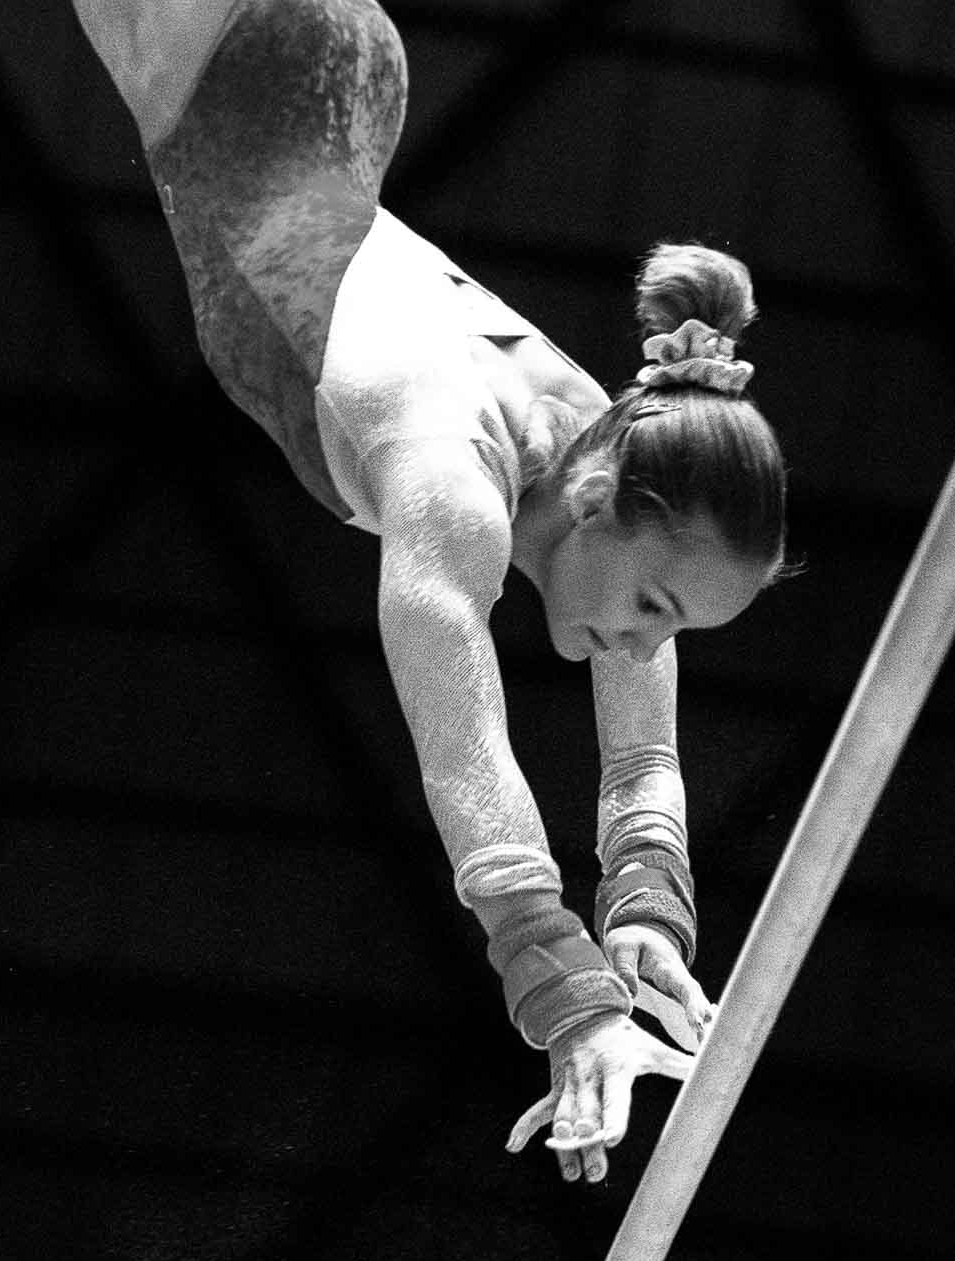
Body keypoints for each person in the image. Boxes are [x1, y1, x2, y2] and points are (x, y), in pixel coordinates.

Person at [71, 0, 789, 1185]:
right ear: (609, 499)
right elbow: (466, 756)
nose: (641, 641)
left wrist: (648, 921)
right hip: (234, 81)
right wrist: (561, 989)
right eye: (658, 608)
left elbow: (644, 765)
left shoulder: (612, 459)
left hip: (320, 94)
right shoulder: (452, 476)